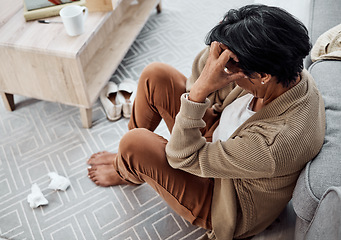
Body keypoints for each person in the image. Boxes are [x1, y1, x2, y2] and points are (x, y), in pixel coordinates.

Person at [87, 4, 326, 240]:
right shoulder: (285, 72)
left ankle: (126, 167)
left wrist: (200, 92)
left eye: (233, 64)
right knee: (156, 75)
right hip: (224, 142)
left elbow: (182, 156)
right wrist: (222, 46)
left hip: (226, 196)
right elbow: (201, 84)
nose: (226, 68)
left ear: (262, 76)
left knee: (135, 145)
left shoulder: (274, 143)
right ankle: (127, 167)